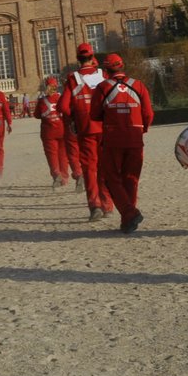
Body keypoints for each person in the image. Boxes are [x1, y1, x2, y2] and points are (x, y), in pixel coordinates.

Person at [89, 53, 154, 233]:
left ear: (106, 70)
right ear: (122, 66)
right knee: (131, 178)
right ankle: (128, 219)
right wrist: (142, 129)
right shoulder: (138, 85)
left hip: (113, 138)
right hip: (135, 137)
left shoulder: (103, 88)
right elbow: (148, 113)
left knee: (111, 178)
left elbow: (94, 114)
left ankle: (129, 213)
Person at [59, 43, 113, 222]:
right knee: (105, 166)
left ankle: (95, 205)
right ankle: (108, 204)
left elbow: (63, 106)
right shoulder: (103, 75)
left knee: (89, 169)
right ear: (92, 57)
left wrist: (74, 118)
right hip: (105, 129)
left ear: (78, 59)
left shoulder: (73, 78)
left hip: (86, 129)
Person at [34, 77, 68, 187]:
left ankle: (56, 174)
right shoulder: (61, 98)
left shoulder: (42, 101)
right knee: (63, 155)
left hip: (48, 132)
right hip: (62, 129)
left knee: (51, 155)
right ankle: (64, 177)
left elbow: (37, 115)